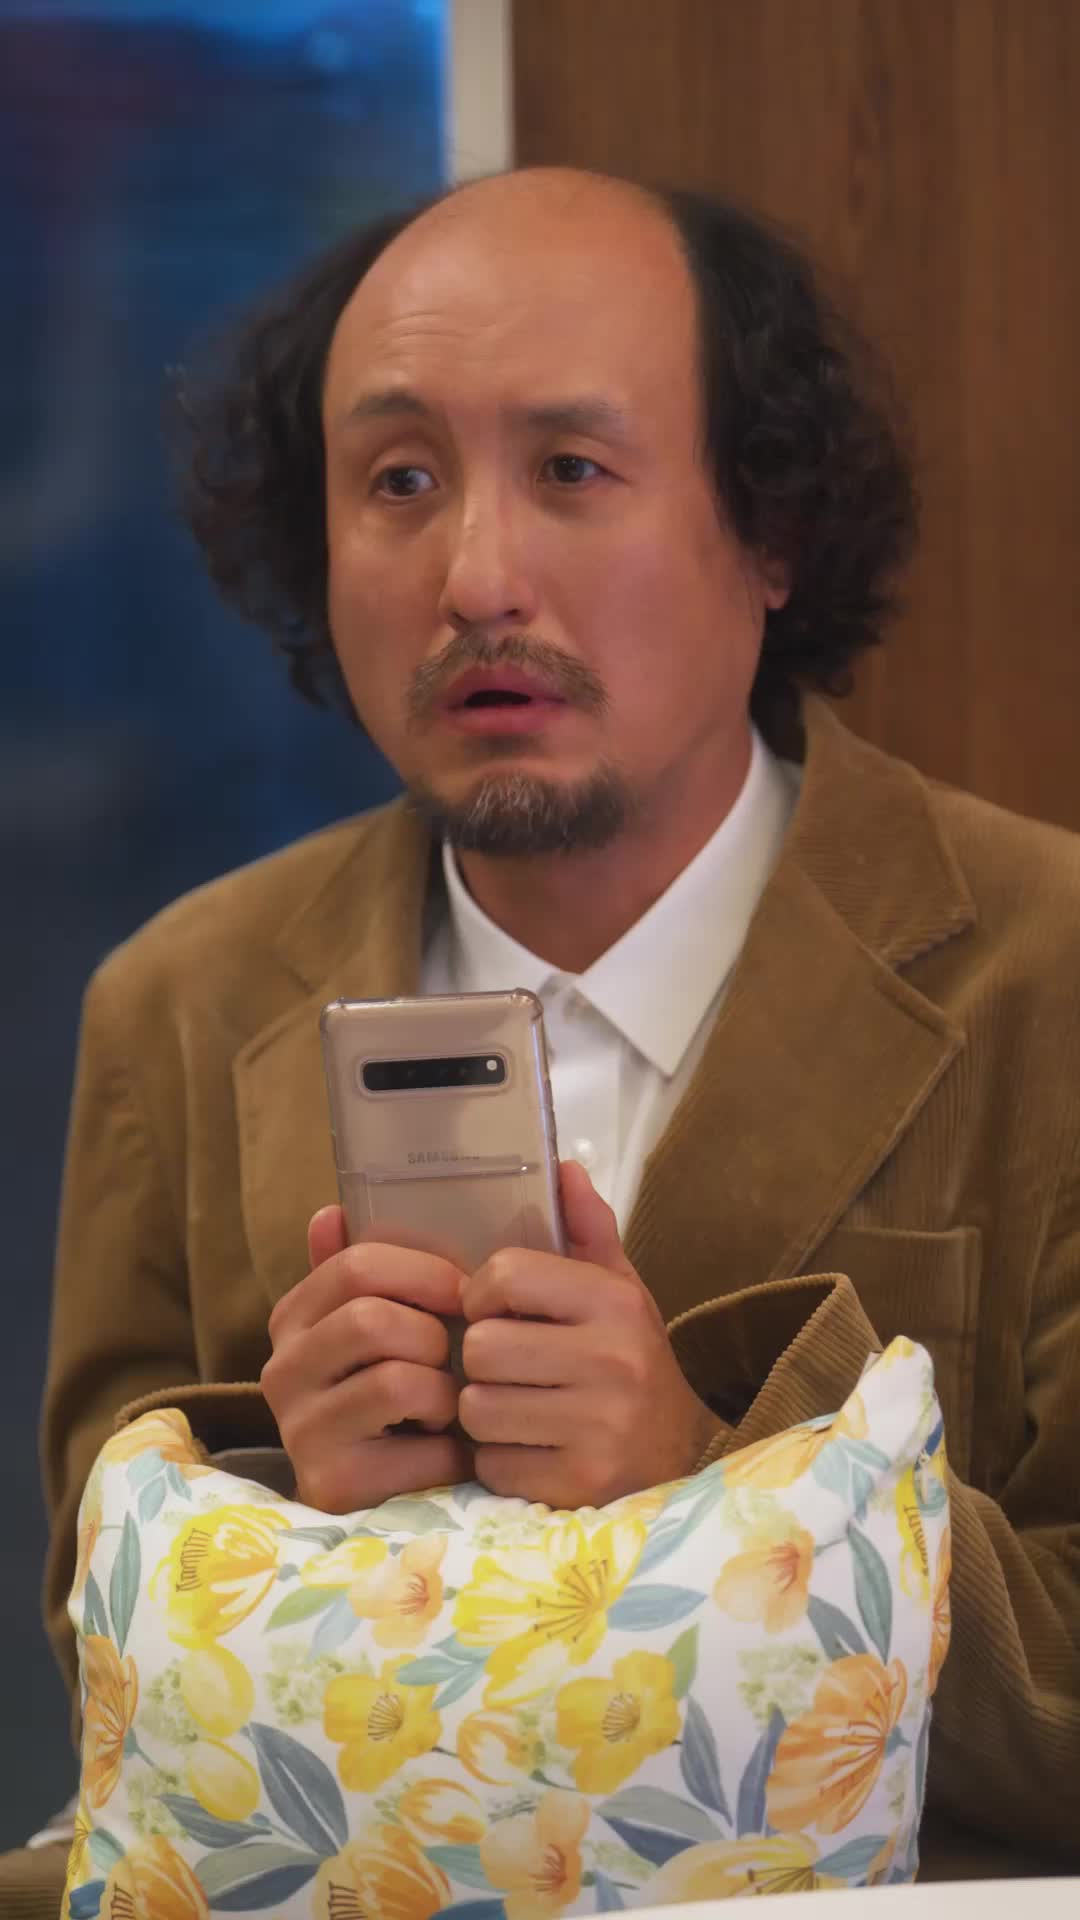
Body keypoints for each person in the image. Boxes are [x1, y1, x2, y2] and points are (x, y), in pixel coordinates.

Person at [8, 167, 1079, 1912]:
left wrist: (715, 1481)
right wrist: (290, 1513)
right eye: (399, 481)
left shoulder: (1051, 971)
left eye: (572, 470)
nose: (478, 577)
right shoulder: (182, 1003)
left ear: (771, 530)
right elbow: (105, 1675)